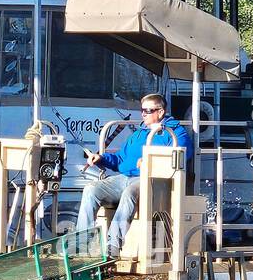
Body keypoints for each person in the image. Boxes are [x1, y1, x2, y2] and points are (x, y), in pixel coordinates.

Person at [76, 93, 194, 258]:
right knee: (91, 189)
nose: (143, 114)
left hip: (153, 180)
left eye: (148, 110)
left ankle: (113, 246)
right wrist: (101, 159)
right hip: (125, 178)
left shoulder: (175, 133)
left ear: (160, 112)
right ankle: (81, 245)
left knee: (129, 192)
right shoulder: (138, 133)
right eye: (142, 110)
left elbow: (181, 156)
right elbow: (120, 160)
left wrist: (149, 160)